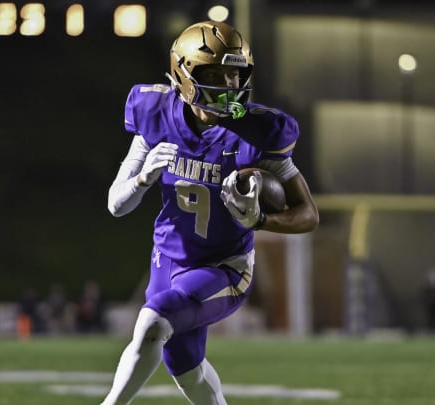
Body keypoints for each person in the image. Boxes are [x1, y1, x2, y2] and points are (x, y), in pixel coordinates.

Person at [103, 20, 319, 404]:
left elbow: (308, 214)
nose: (228, 86)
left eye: (235, 75)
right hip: (165, 262)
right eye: (215, 73)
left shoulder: (259, 131)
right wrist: (143, 178)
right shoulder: (155, 113)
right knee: (187, 370)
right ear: (183, 74)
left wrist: (262, 221)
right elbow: (116, 205)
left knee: (153, 322)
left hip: (224, 267)